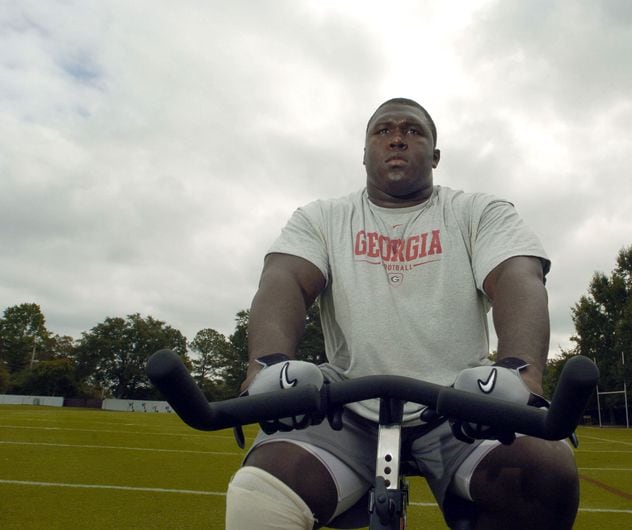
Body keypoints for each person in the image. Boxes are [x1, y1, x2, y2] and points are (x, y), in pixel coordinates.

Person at [225, 98, 579, 529]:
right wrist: (268, 364)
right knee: (259, 498)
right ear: (364, 154)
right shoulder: (323, 217)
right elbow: (285, 279)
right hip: (345, 403)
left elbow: (516, 277)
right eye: (383, 130)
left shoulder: (479, 212)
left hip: (461, 403)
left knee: (543, 475)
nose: (397, 138)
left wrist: (520, 372)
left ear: (435, 155)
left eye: (413, 131)